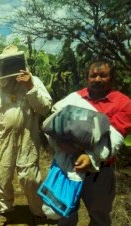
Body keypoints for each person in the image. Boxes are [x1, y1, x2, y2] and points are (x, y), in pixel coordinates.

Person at [47, 60, 131, 226]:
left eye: (103, 75)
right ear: (87, 78)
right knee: (64, 212)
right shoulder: (74, 98)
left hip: (100, 173)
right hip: (67, 165)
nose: (97, 79)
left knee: (99, 215)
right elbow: (53, 121)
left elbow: (114, 138)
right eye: (93, 75)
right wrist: (61, 144)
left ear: (112, 78)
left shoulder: (123, 103)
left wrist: (91, 158)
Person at [0, 45, 52, 226]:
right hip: (5, 137)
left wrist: (29, 86)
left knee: (30, 178)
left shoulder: (34, 81)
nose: (11, 68)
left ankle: (38, 212)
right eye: (8, 64)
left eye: (14, 63)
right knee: (3, 176)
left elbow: (45, 108)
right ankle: (4, 212)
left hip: (28, 135)